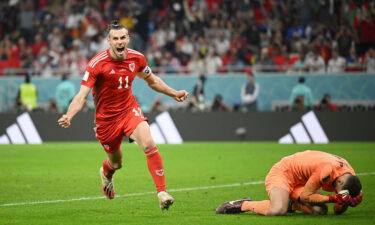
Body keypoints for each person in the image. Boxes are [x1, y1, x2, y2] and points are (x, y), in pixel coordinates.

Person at [57, 21, 189, 210]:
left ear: (128, 39)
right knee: (116, 163)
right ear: (109, 41)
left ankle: (162, 193)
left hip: (129, 110)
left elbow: (152, 81)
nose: (120, 42)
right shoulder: (97, 64)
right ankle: (106, 173)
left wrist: (174, 93)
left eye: (123, 38)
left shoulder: (137, 58)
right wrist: (69, 115)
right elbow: (82, 95)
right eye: (115, 39)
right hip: (106, 120)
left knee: (149, 143)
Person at [216, 150, 363, 216]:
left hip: (303, 181)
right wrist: (331, 198)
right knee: (277, 210)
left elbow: (337, 210)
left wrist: (346, 203)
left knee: (320, 211)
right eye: (339, 191)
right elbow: (306, 196)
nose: (337, 193)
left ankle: (291, 204)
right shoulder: (327, 171)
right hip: (284, 173)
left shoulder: (349, 176)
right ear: (340, 180)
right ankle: (244, 204)